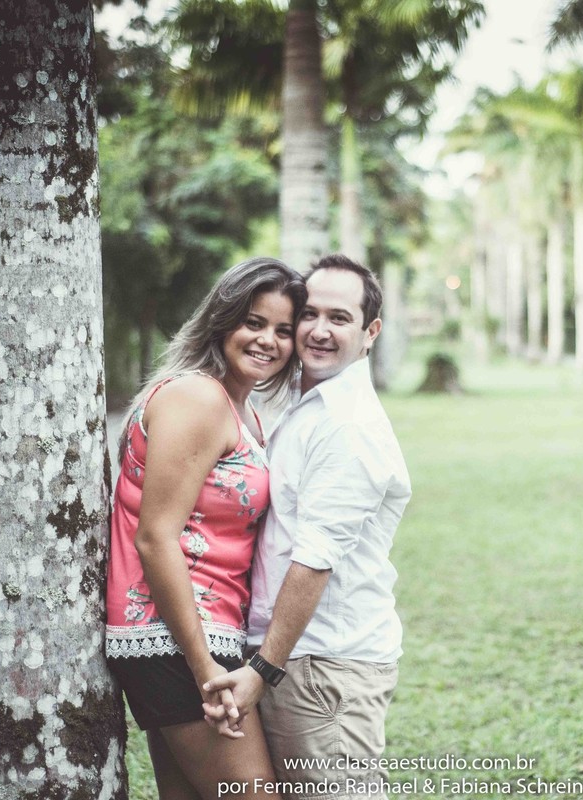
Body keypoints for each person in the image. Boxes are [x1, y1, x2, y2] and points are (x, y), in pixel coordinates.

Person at [204, 254, 412, 800]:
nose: (319, 331)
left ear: (370, 334)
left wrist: (262, 668)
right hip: (294, 658)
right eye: (310, 314)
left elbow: (314, 559)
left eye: (339, 318)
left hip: (323, 667)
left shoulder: (347, 426)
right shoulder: (306, 403)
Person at [104, 257, 306, 800]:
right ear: (223, 320)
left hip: (194, 636)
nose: (268, 340)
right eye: (254, 322)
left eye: (284, 330)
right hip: (175, 640)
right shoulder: (197, 398)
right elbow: (155, 537)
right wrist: (205, 669)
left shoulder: (239, 409)